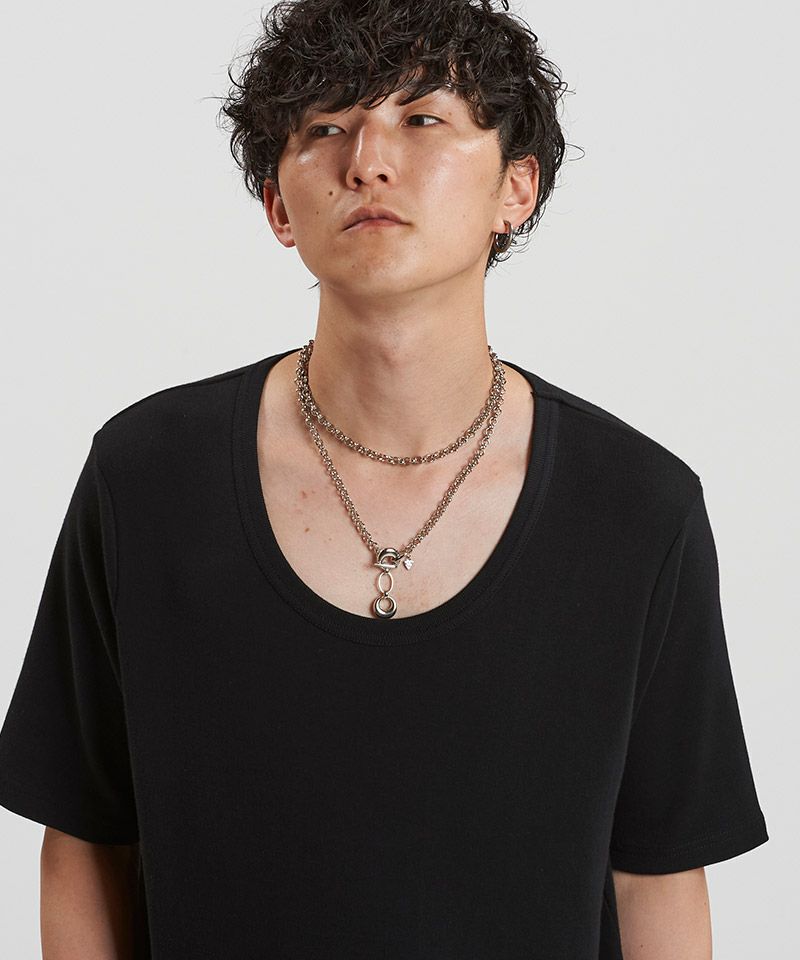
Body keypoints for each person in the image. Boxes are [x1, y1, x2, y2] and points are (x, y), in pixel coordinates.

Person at [0, 1, 768, 957]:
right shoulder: (147, 477)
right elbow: (85, 839)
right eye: (325, 128)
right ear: (279, 208)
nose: (366, 160)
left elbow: (658, 876)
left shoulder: (638, 508)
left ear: (517, 188)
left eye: (422, 117)